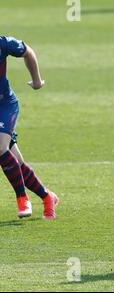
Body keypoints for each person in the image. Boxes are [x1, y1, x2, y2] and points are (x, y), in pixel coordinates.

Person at [0, 36, 59, 220]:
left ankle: (22, 199)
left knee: (0, 148)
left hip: (5, 105)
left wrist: (37, 81)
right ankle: (47, 196)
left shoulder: (3, 43)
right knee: (16, 162)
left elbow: (28, 52)